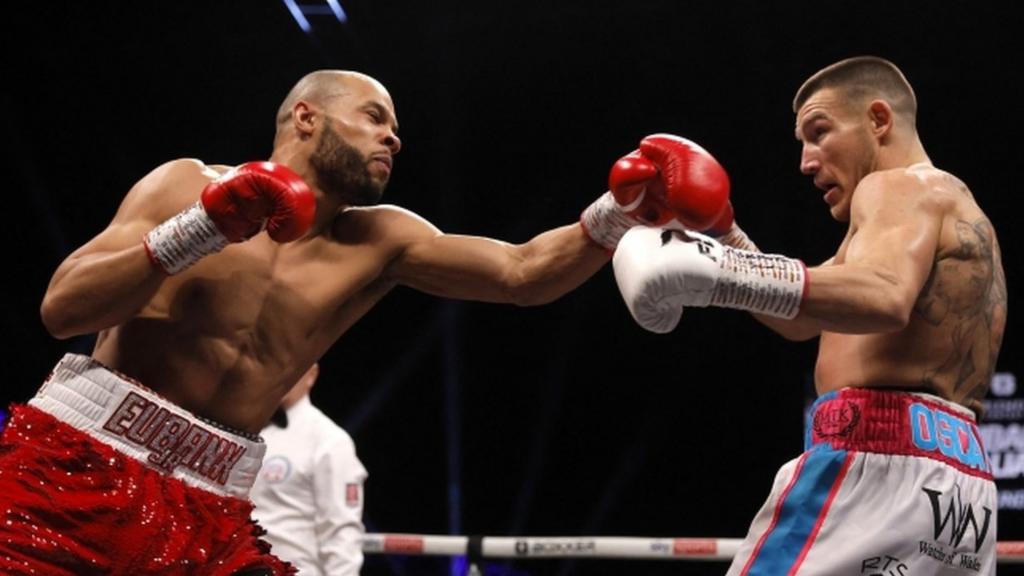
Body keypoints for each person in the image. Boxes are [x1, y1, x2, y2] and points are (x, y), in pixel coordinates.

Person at [0, 69, 729, 575]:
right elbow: (64, 310)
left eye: (397, 128)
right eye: (375, 117)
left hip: (209, 500)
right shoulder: (187, 183)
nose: (394, 138)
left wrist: (620, 210)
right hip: (78, 459)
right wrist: (204, 226)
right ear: (306, 117)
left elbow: (522, 274)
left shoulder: (382, 240)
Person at [612, 56, 1006, 574]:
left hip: (874, 465)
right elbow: (801, 319)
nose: (806, 161)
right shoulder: (941, 207)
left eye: (819, 133)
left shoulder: (899, 187)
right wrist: (724, 237)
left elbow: (884, 298)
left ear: (878, 120)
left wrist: (713, 268)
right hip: (961, 492)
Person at [250, 363, 367, 576]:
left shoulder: (330, 440)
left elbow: (342, 532)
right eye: (278, 366)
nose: (284, 374)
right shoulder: (243, 429)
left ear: (311, 375)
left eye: (294, 367)